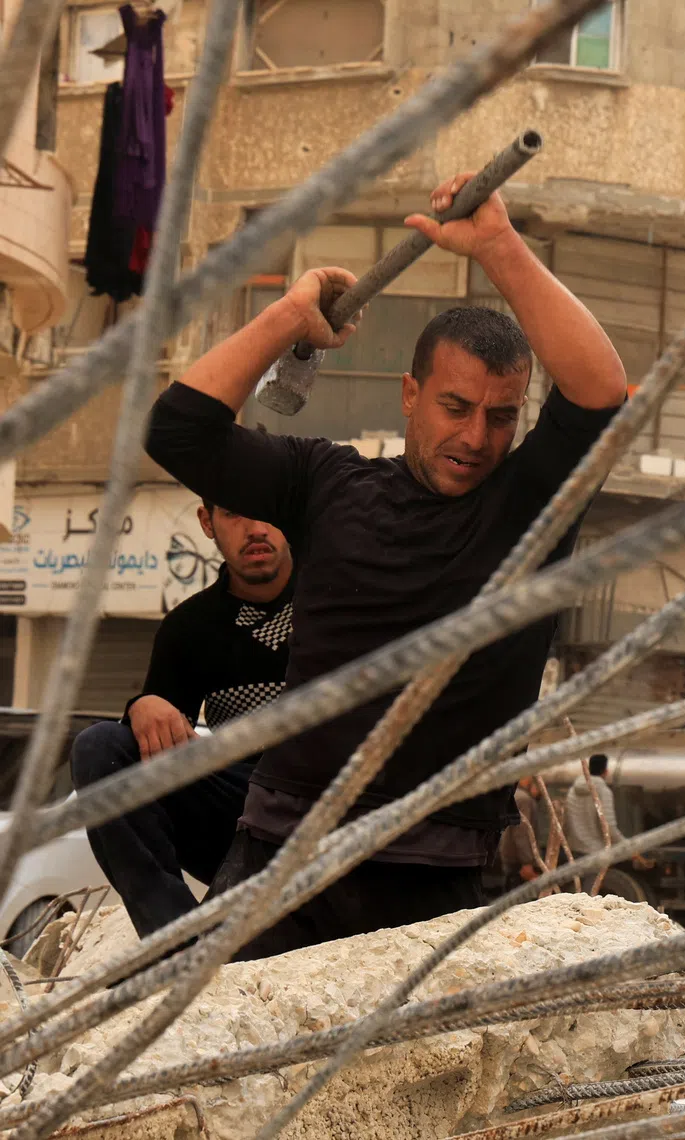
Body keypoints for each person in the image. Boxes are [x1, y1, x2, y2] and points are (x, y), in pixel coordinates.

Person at [144, 171, 627, 957]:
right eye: (455, 407)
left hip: (432, 874)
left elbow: (602, 392)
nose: (476, 437)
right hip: (284, 855)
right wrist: (286, 318)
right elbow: (180, 432)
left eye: (501, 416)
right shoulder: (326, 480)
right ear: (410, 395)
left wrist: (500, 247)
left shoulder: (531, 505)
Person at [70, 503, 294, 938]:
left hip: (340, 807)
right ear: (207, 523)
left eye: (269, 508)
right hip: (243, 814)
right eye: (234, 515)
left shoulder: (339, 596)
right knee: (99, 748)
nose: (256, 528)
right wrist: (144, 705)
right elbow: (153, 753)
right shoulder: (189, 628)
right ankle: (176, 946)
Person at [563, 754, 654, 871]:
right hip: (594, 854)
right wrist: (627, 847)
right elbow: (608, 827)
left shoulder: (572, 791)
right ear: (605, 771)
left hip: (574, 852)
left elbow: (566, 822)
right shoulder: (603, 791)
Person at [498, 776, 542, 886]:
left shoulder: (513, 795)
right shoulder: (524, 799)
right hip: (519, 862)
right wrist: (527, 862)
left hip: (509, 856)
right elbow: (521, 833)